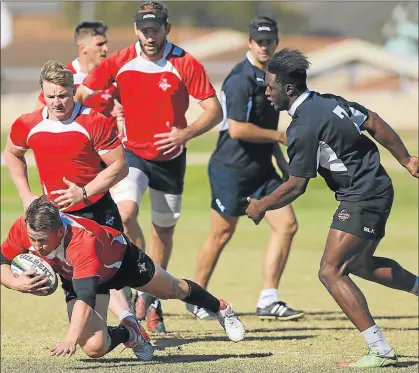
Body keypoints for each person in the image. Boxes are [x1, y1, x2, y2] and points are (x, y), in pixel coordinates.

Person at [245, 48, 419, 368]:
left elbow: (297, 185)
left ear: (288, 88)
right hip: (376, 187)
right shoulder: (330, 101)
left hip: (363, 195)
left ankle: (379, 349)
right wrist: (406, 159)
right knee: (362, 265)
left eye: (270, 86)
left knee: (330, 270)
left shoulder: (303, 126)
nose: (266, 91)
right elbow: (375, 123)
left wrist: (261, 206)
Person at [74, 0, 223, 333]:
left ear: (166, 28)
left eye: (155, 29)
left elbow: (214, 110)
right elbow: (83, 95)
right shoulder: (120, 60)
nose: (150, 35)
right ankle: (135, 279)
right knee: (126, 214)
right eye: (144, 29)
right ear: (135, 30)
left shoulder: (185, 62)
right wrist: (107, 113)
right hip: (133, 155)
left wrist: (186, 133)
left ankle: (151, 297)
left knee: (163, 232)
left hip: (171, 160)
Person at [0, 196, 246, 360]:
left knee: (173, 290)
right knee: (95, 348)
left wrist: (69, 339)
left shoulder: (81, 243)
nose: (36, 246)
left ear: (60, 231)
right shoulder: (25, 228)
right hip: (77, 274)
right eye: (32, 239)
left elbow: (86, 296)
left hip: (120, 261)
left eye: (42, 240)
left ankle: (220, 308)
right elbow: (2, 260)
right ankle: (131, 333)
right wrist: (14, 282)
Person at [186, 17, 303, 321]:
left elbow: (267, 125)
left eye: (269, 41)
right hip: (231, 169)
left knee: (287, 225)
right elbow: (236, 129)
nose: (264, 46)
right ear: (250, 43)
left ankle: (268, 299)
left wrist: (281, 161)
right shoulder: (240, 79)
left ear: (276, 42)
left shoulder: (277, 76)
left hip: (262, 171)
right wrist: (279, 137)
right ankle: (197, 298)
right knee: (222, 232)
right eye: (259, 41)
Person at [4, 60, 131, 325]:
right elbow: (13, 153)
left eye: (63, 95)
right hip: (56, 217)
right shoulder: (28, 124)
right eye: (51, 96)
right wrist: (26, 195)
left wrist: (83, 193)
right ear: (43, 94)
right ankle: (118, 329)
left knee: (114, 273)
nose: (57, 102)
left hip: (96, 210)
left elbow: (120, 166)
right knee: (85, 291)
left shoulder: (93, 121)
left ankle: (130, 318)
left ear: (73, 91)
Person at [35, 21, 122, 129]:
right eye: (100, 44)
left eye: (105, 43)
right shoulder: (63, 77)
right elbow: (41, 115)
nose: (105, 49)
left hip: (107, 143)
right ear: (83, 48)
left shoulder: (113, 75)